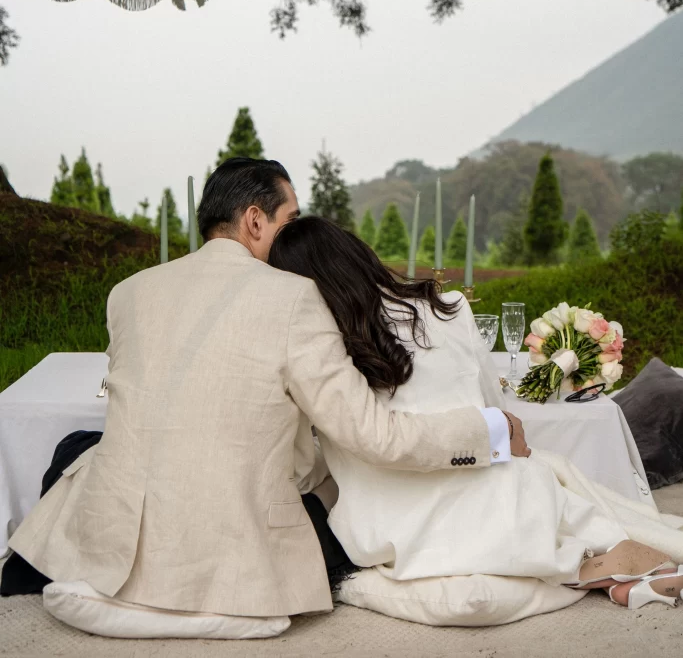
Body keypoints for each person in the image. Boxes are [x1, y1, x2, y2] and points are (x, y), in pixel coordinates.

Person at [5, 158, 525, 627]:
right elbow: (373, 435)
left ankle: (41, 562)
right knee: (335, 492)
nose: (298, 234)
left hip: (123, 539)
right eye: (290, 220)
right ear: (255, 220)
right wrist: (490, 431)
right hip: (235, 544)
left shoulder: (129, 291)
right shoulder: (296, 295)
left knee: (79, 446)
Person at [269, 216, 683, 610]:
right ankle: (603, 569)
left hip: (392, 527)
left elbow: (307, 461)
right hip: (494, 499)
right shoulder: (448, 307)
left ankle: (587, 571)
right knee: (540, 482)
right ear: (357, 254)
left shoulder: (321, 355)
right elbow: (494, 413)